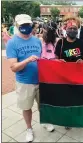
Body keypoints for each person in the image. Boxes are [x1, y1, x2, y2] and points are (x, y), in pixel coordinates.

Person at [6, 14, 54, 142]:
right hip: (24, 82)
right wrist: (27, 60)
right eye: (23, 25)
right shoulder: (12, 43)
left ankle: (44, 122)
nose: (26, 27)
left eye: (28, 25)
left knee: (43, 105)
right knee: (26, 107)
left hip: (41, 80)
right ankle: (29, 129)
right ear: (17, 25)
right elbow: (14, 67)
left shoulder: (37, 40)